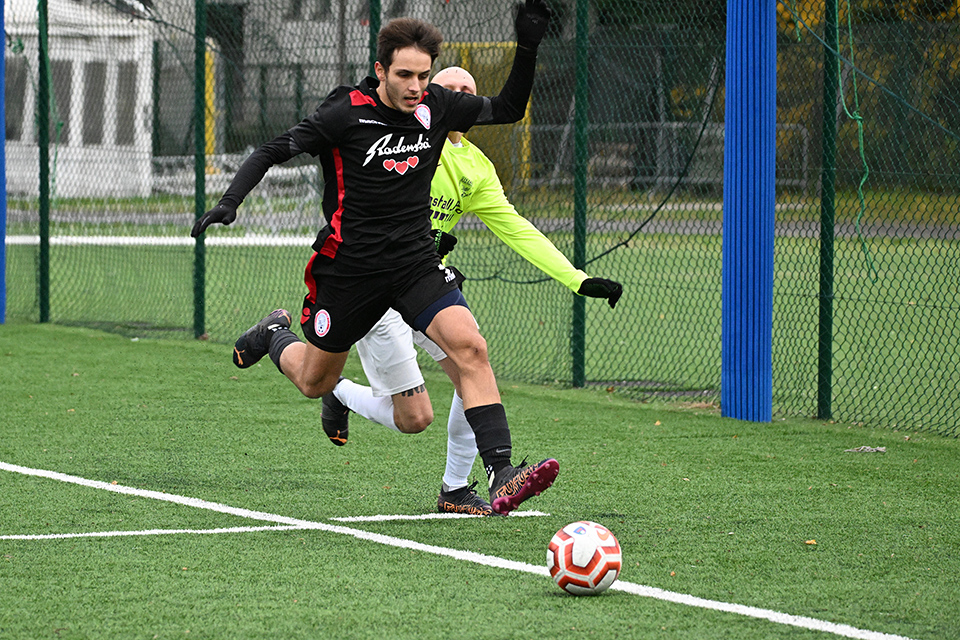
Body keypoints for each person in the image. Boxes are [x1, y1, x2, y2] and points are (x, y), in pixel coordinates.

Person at [191, 3, 558, 515]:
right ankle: (274, 335)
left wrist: (528, 45)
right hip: (350, 271)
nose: (415, 87)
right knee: (314, 382)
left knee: (471, 349)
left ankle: (502, 473)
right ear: (381, 70)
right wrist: (230, 202)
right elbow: (271, 150)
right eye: (404, 75)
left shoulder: (437, 106)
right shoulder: (345, 113)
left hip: (414, 264)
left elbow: (510, 108)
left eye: (423, 76)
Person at [321, 66, 623, 517]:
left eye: (469, 91)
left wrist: (576, 278)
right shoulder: (399, 138)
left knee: (473, 362)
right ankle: (338, 390)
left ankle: (457, 488)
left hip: (422, 280)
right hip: (373, 280)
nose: (461, 96)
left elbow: (516, 228)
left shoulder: (476, 166)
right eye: (451, 88)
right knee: (414, 418)